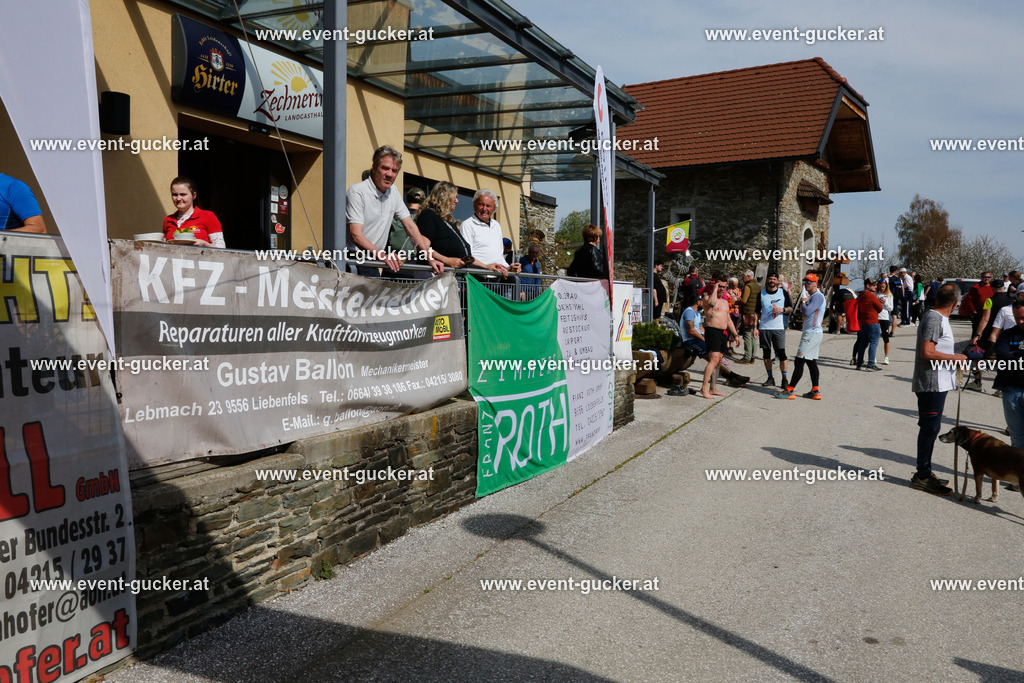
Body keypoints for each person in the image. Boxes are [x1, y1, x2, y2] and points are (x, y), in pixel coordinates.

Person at [346, 145, 441, 276]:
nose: (390, 174)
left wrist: (429, 258)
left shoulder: (393, 191)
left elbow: (410, 226)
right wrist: (384, 256)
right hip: (352, 259)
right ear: (374, 168)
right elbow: (355, 235)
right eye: (385, 168)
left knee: (377, 296)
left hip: (372, 260)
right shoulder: (357, 191)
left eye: (394, 170)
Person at [910, 283, 967, 495]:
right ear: (955, 303)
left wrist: (961, 353)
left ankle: (925, 471)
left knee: (931, 428)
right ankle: (922, 475)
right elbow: (928, 352)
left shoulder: (940, 318)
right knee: (930, 429)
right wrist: (955, 358)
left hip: (939, 382)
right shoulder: (934, 318)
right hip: (931, 383)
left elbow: (941, 348)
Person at [678, 295, 749, 391]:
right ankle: (731, 377)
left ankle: (731, 377)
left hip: (698, 339)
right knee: (714, 359)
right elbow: (691, 331)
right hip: (691, 341)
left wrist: (708, 337)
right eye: (703, 301)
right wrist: (704, 339)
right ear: (698, 302)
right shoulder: (689, 312)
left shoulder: (697, 313)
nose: (705, 304)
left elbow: (700, 328)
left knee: (717, 358)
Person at [774, 273, 826, 400]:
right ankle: (815, 390)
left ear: (815, 283)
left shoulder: (817, 296)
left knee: (799, 361)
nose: (806, 284)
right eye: (805, 282)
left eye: (809, 282)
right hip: (813, 332)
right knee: (811, 362)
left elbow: (807, 312)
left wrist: (803, 302)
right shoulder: (814, 296)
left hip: (811, 334)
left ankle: (790, 390)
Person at [411, 181, 474, 270]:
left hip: (452, 276)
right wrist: (447, 260)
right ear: (444, 197)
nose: (457, 201)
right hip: (435, 273)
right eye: (455, 197)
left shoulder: (449, 221)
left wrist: (487, 266)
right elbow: (424, 246)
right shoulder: (429, 215)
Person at [699, 272, 743, 399]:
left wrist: (735, 335)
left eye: (724, 287)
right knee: (713, 360)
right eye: (720, 286)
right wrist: (715, 288)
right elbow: (712, 304)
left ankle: (713, 388)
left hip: (723, 333)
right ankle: (704, 388)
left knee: (718, 362)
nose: (722, 289)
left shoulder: (724, 302)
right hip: (712, 331)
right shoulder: (707, 298)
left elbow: (728, 319)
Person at [460, 190, 520, 276]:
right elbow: (467, 257)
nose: (484, 209)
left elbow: (499, 256)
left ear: (494, 209)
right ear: (474, 205)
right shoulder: (467, 225)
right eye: (481, 204)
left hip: (496, 278)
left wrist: (508, 268)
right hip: (476, 278)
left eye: (488, 206)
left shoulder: (496, 226)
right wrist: (486, 267)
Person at [992, 299, 1024, 450]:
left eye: (1023, 317)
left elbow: (1009, 356)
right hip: (1011, 390)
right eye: (1017, 318)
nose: (1020, 321)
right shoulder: (1007, 335)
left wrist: (1016, 353)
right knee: (1017, 438)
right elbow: (1002, 357)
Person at [162, 176, 224, 247]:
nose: (178, 198)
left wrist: (204, 244)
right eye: (175, 195)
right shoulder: (168, 220)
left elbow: (221, 248)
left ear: (194, 195)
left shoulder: (208, 216)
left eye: (183, 194)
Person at [757, 273, 792, 387]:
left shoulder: (783, 293)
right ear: (767, 280)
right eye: (770, 279)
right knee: (766, 355)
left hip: (778, 328)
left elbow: (790, 308)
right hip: (764, 328)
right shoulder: (761, 294)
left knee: (782, 354)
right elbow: (757, 312)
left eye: (774, 279)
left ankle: (784, 379)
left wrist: (782, 309)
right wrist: (754, 327)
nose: (772, 280)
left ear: (777, 281)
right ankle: (770, 378)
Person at [853, 278, 883, 370]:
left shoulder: (860, 296)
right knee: (873, 342)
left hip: (863, 322)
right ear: (868, 286)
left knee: (863, 343)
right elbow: (880, 308)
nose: (876, 286)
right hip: (872, 321)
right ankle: (871, 363)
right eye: (873, 285)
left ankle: (859, 363)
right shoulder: (871, 296)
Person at [739, 269, 761, 363]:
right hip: (755, 313)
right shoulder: (757, 286)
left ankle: (747, 357)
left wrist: (736, 302)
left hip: (748, 313)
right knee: (753, 335)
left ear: (748, 277)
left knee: (747, 335)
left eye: (743, 276)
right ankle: (752, 357)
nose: (742, 278)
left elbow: (744, 300)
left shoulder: (748, 286)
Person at [876, 279, 895, 364]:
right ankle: (874, 356)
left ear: (886, 287)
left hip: (884, 317)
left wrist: (885, 302)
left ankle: (886, 357)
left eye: (883, 287)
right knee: (874, 338)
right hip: (876, 317)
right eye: (880, 287)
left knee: (885, 337)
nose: (881, 288)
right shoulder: (875, 294)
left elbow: (891, 308)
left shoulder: (889, 295)